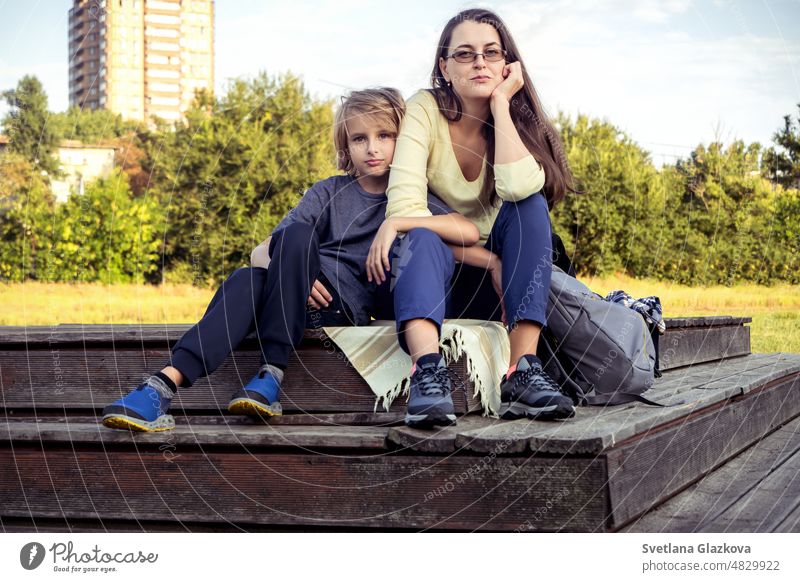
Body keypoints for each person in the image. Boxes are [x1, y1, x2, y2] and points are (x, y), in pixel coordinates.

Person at [101, 87, 477, 432]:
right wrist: (294, 274)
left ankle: (271, 369)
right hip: (294, 294)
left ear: (403, 141)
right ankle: (162, 386)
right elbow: (260, 251)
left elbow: (466, 229)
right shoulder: (329, 191)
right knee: (255, 271)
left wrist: (400, 222)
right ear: (347, 146)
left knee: (267, 262)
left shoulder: (410, 195)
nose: (372, 148)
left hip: (335, 306)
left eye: (385, 136)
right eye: (359, 139)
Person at [372, 8, 579, 428]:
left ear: (507, 65)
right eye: (465, 54)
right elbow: (405, 211)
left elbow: (521, 189)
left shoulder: (518, 122)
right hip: (430, 281)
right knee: (421, 235)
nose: (480, 62)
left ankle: (522, 370)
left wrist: (502, 105)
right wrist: (490, 259)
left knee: (530, 206)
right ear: (445, 67)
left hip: (503, 292)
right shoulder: (424, 109)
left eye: (490, 52)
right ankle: (427, 373)